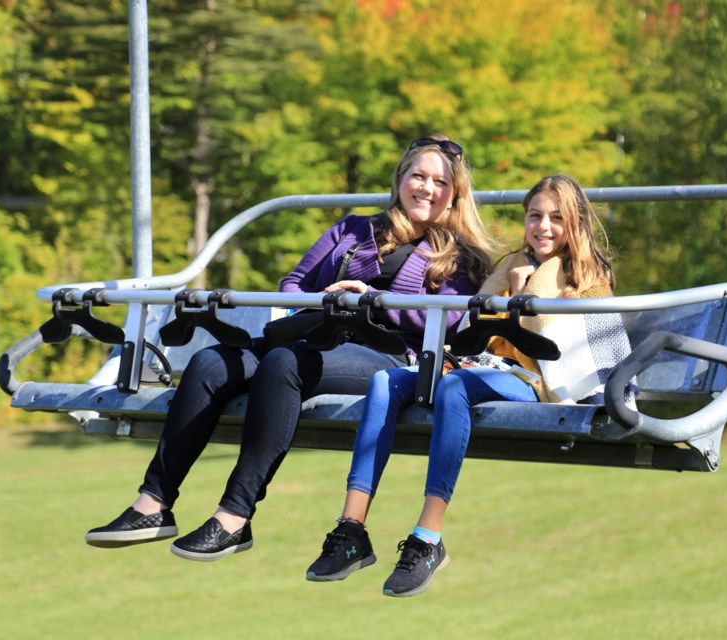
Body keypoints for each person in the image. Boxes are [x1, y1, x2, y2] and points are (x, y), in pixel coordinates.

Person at [85, 134, 495, 562]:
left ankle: (234, 516)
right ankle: (153, 504)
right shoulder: (354, 228)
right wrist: (329, 297)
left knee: (285, 364)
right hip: (315, 334)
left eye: (440, 182)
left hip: (388, 356)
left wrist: (369, 303)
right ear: (400, 179)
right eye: (418, 176)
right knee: (210, 363)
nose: (426, 188)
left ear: (454, 194)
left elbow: (444, 318)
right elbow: (293, 283)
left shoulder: (460, 255)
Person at [305, 174, 636, 597]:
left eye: (557, 218)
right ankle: (351, 529)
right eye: (535, 216)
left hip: (535, 382)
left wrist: (521, 299)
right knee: (387, 381)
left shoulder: (587, 278)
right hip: (482, 365)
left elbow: (566, 350)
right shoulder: (510, 266)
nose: (544, 227)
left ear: (575, 224)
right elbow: (469, 328)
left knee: (454, 388)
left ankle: (428, 537)